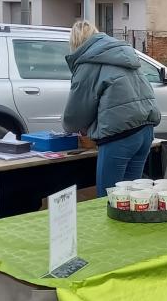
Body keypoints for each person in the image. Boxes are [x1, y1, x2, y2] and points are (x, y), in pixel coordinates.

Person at [63, 21, 161, 196]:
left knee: (108, 198)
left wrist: (70, 127)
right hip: (146, 131)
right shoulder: (122, 52)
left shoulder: (87, 63)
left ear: (75, 43)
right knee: (133, 196)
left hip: (119, 136)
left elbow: (75, 115)